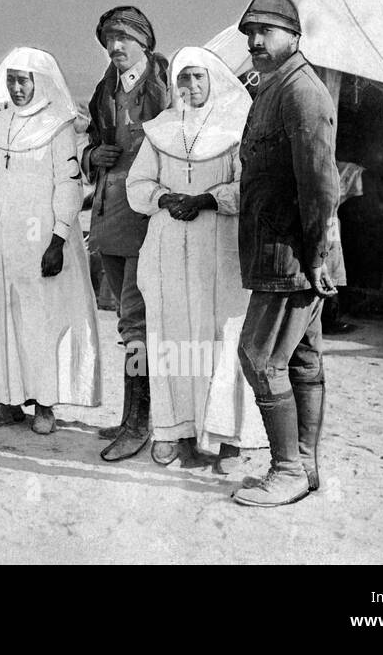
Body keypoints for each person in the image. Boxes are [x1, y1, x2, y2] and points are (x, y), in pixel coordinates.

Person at [126, 46, 265, 471]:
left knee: (220, 339)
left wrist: (206, 199)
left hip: (218, 249)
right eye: (183, 79)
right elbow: (137, 185)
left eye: (198, 78)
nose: (190, 86)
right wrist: (165, 196)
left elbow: (249, 187)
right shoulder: (161, 130)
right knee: (173, 340)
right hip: (168, 247)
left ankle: (227, 440)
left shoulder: (235, 129)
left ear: (213, 81)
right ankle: (176, 432)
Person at [231, 0, 343, 507]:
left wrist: (316, 257)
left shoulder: (302, 93)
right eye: (249, 32)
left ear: (295, 37)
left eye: (266, 31)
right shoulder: (273, 88)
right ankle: (306, 466)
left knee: (258, 357)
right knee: (300, 357)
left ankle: (288, 469)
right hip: (285, 251)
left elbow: (320, 186)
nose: (254, 40)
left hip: (293, 255)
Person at [0, 48, 103, 435]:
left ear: (39, 82)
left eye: (23, 80)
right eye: (11, 80)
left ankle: (44, 404)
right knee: (0, 318)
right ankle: (7, 402)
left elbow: (69, 185)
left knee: (39, 321)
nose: (17, 87)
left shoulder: (59, 126)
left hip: (41, 240)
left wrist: (58, 239)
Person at [81, 6, 169, 462]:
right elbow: (92, 141)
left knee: (138, 324)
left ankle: (140, 423)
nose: (114, 47)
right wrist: (93, 154)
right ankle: (132, 414)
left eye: (122, 38)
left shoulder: (163, 86)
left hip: (148, 223)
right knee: (126, 323)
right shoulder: (105, 89)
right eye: (108, 40)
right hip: (109, 219)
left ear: (143, 41)